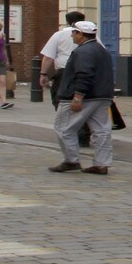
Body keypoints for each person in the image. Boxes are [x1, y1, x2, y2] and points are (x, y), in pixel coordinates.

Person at [49, 19, 114, 175]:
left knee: (64, 128)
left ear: (80, 34)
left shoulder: (82, 52)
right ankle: (101, 163)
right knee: (101, 130)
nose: (72, 35)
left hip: (83, 97)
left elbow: (84, 74)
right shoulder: (101, 50)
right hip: (102, 96)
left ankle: (71, 160)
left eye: (73, 32)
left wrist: (77, 97)